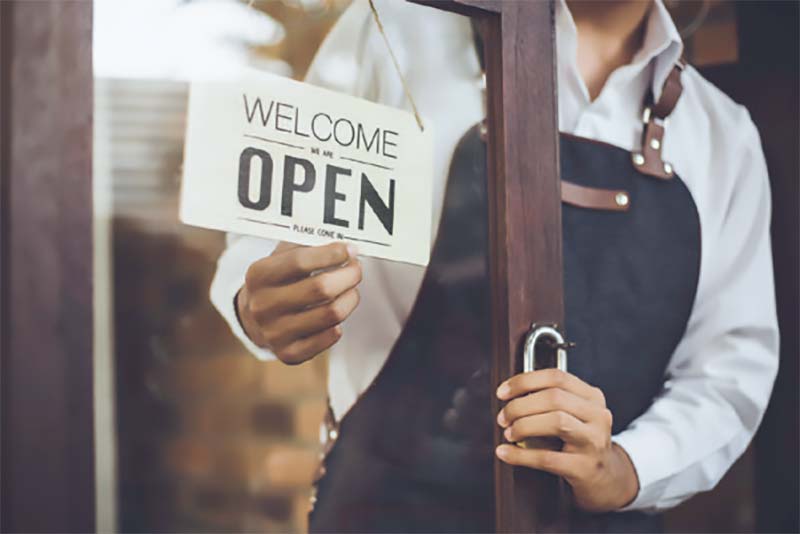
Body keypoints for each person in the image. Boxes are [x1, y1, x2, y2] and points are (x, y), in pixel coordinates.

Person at [211, 0, 779, 531]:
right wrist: (258, 303)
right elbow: (267, 237)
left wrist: (623, 467)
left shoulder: (723, 137)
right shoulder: (397, 27)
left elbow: (729, 373)